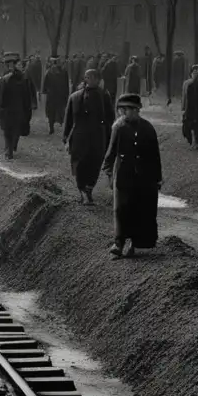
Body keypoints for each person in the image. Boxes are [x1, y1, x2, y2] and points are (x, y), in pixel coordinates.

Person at [102, 93, 162, 259]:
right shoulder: (118, 127)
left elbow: (155, 155)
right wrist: (107, 171)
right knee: (121, 209)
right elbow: (111, 151)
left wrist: (157, 177)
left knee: (140, 209)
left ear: (136, 110)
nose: (124, 113)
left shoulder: (148, 128)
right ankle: (118, 243)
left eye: (127, 109)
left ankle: (135, 244)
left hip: (144, 176)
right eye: (122, 110)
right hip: (123, 173)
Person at [62, 68, 115, 205]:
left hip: (98, 136)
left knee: (95, 163)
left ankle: (89, 189)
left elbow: (110, 117)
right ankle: (82, 191)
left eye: (93, 77)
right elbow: (68, 120)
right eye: (87, 77)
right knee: (80, 164)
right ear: (85, 79)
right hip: (79, 137)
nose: (90, 80)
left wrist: (109, 135)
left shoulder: (104, 96)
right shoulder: (75, 97)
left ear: (98, 80)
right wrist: (65, 137)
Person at [0, 52, 33, 159]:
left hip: (7, 109)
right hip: (19, 109)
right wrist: (27, 109)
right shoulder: (24, 79)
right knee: (16, 129)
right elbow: (27, 96)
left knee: (8, 130)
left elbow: (1, 97)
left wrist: (1, 107)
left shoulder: (5, 79)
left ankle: (9, 150)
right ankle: (12, 147)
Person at [43, 57, 69, 135]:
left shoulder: (49, 72)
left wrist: (46, 91)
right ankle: (58, 123)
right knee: (59, 110)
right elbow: (66, 85)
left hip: (52, 95)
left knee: (52, 111)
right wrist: (66, 94)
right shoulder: (63, 72)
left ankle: (52, 127)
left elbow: (45, 85)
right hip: (59, 95)